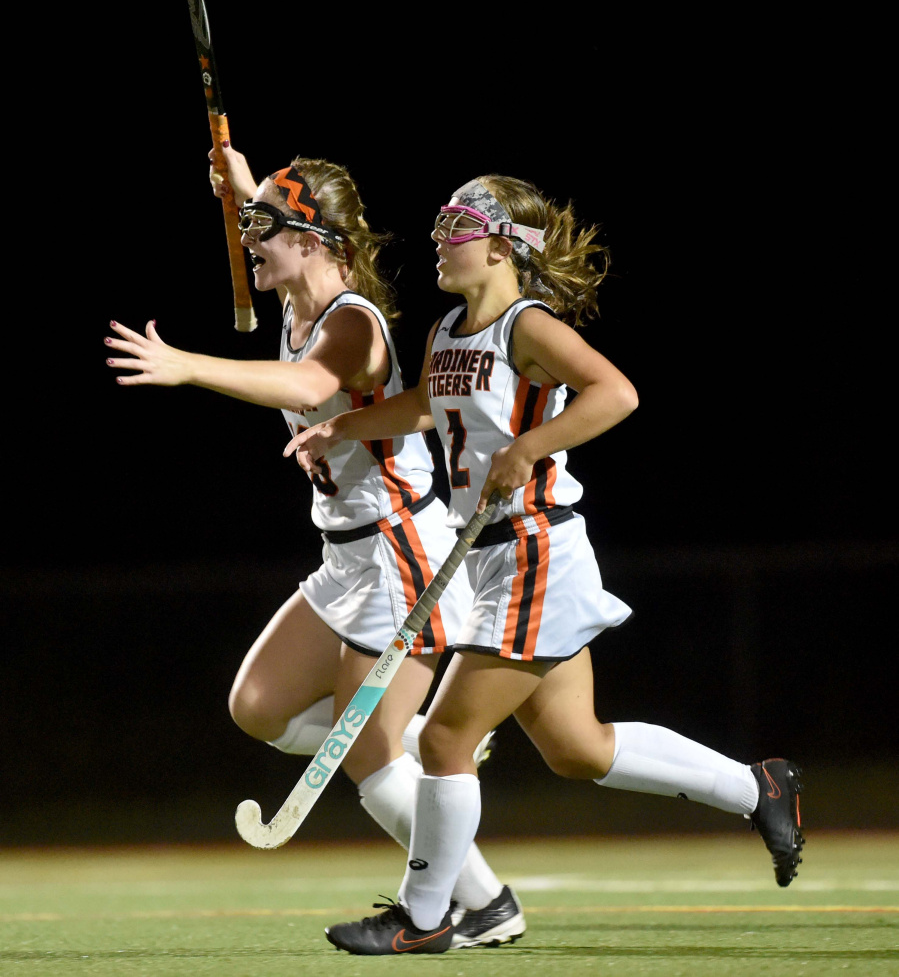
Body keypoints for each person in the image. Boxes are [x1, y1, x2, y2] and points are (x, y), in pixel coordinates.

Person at [285, 174, 806, 955]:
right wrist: (347, 427)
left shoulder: (527, 327)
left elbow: (615, 392)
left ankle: (426, 917)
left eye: (454, 225)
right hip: (492, 557)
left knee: (443, 741)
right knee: (577, 746)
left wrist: (531, 445)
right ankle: (756, 785)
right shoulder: (449, 329)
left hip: (533, 549)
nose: (437, 237)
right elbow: (429, 405)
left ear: (500, 245)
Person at [104, 149, 526, 949]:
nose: (248, 239)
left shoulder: (352, 321)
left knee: (368, 763)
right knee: (257, 706)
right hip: (344, 557)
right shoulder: (298, 303)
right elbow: (286, 230)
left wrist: (186, 366)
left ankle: (482, 901)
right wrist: (244, 184)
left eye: (264, 229)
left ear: (315, 240)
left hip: (402, 550)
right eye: (249, 224)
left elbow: (306, 389)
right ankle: (405, 738)